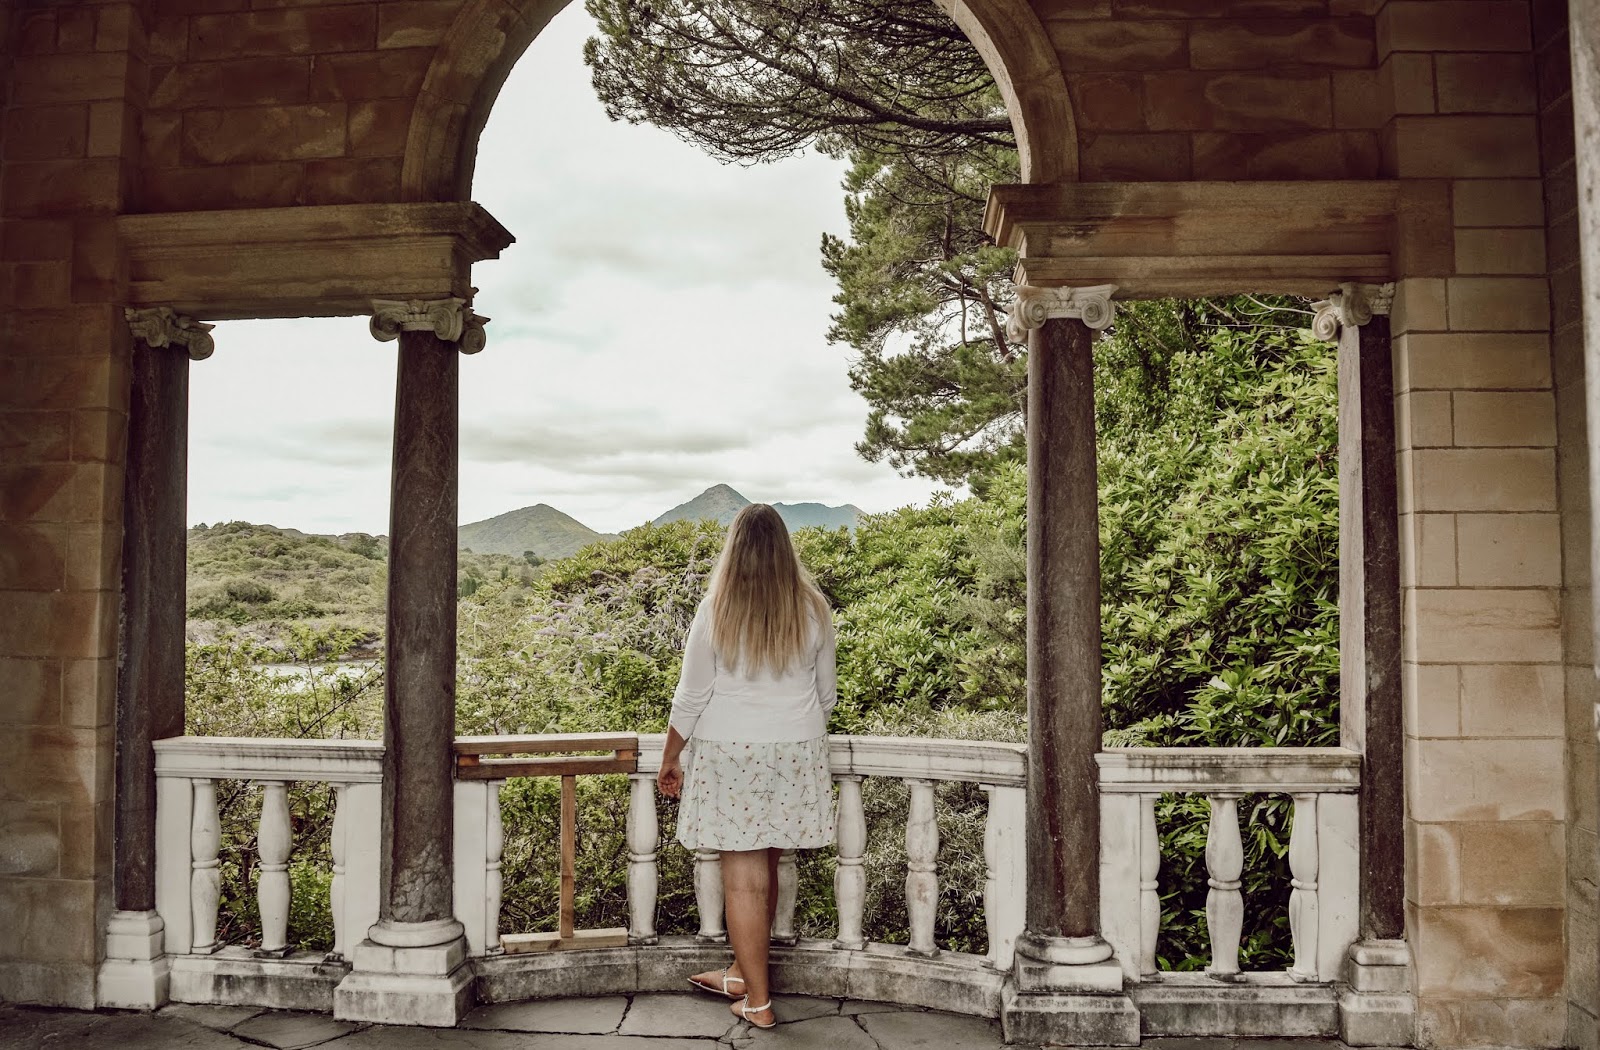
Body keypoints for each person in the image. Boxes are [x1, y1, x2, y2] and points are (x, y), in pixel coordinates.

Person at [656, 503, 838, 1030]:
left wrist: (671, 757)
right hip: (795, 749)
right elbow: (824, 696)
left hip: (732, 752)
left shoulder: (717, 608)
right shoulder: (813, 608)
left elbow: (690, 697)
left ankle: (757, 1002)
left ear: (734, 549)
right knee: (768, 860)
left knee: (743, 880)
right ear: (785, 548)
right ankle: (741, 972)